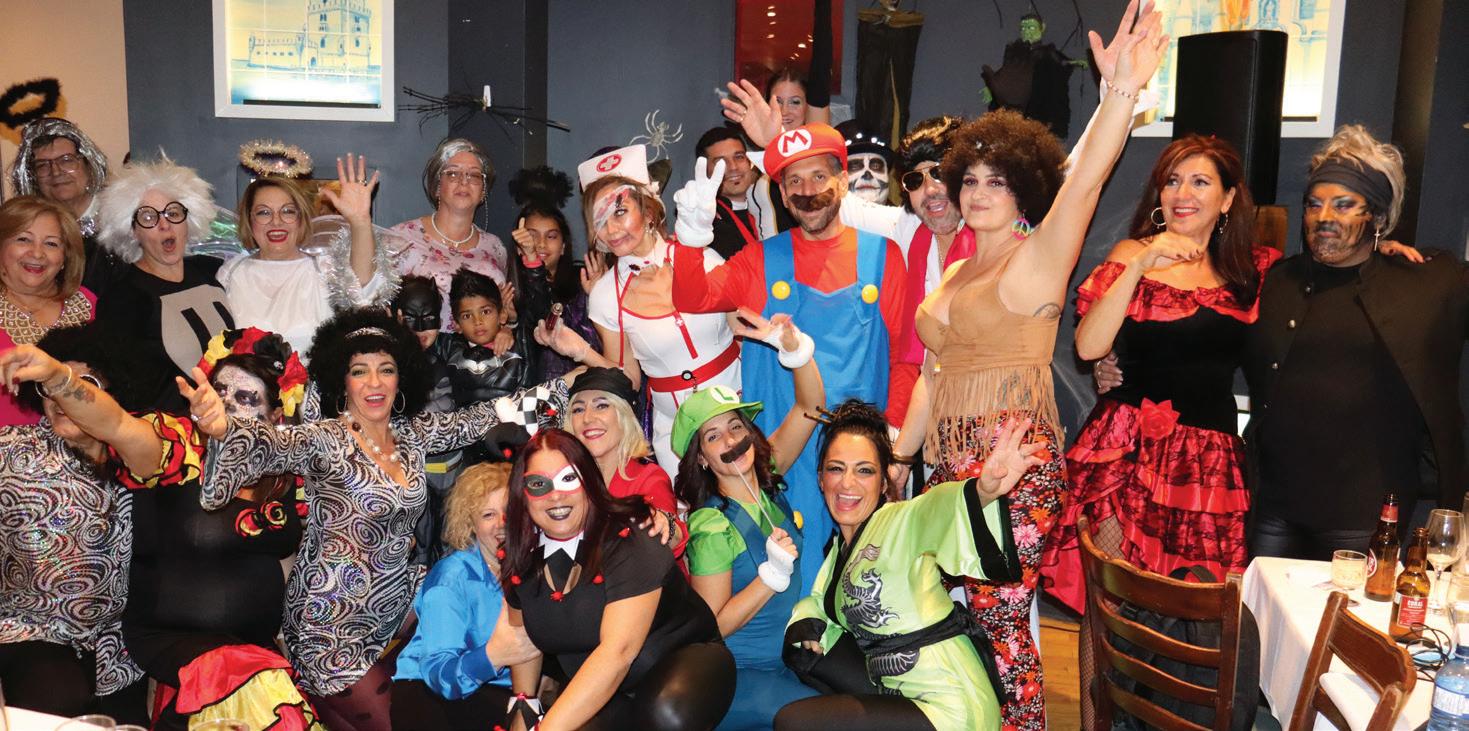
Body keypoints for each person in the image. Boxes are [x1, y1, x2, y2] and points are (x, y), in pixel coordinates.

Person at [886, 5, 1168, 726]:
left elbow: (1085, 179)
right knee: (967, 626)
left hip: (1014, 457)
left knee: (1003, 625)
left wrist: (1120, 93)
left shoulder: (1036, 258)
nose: (977, 193)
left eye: (996, 181)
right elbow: (935, 374)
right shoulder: (955, 271)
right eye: (969, 180)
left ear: (1022, 189)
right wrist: (899, 458)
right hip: (950, 464)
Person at [182, 309, 568, 730]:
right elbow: (272, 443)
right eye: (359, 371)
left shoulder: (411, 435)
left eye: (386, 369)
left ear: (401, 378)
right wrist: (221, 429)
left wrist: (574, 381)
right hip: (329, 627)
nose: (374, 383)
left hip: (395, 611)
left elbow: (480, 418)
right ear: (342, 381)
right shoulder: (326, 439)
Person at [1, 325, 319, 730]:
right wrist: (58, 378)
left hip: (211, 652)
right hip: (144, 639)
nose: (226, 405)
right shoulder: (178, 446)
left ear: (276, 415)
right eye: (219, 391)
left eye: (245, 398)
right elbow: (117, 425)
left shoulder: (288, 469)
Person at [1042, 136, 1277, 616]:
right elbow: (1089, 348)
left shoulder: (1252, 270)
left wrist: (1387, 250)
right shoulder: (1132, 253)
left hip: (1207, 464)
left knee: (1193, 606)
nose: (1182, 193)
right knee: (1109, 602)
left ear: (1228, 199)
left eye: (1200, 182)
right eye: (1172, 181)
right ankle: (1102, 673)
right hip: (1126, 452)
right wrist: (1141, 264)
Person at [670, 123, 909, 586]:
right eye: (793, 181)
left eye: (819, 177)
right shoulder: (759, 259)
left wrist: (895, 444)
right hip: (785, 452)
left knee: (865, 575)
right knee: (795, 576)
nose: (807, 191)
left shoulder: (884, 256)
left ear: (842, 181)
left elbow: (904, 358)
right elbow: (692, 296)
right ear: (780, 193)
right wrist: (691, 237)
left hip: (859, 453)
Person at [1243, 125, 1469, 557]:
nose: (1324, 217)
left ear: (1378, 218)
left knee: (1347, 607)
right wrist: (1116, 363)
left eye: (1344, 204)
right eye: (1314, 204)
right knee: (1260, 602)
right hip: (1275, 504)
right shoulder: (1277, 281)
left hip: (1363, 514)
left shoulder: (1423, 285)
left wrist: (1418, 267)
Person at [774, 401, 1043, 731]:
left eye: (864, 470)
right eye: (836, 469)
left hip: (951, 704)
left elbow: (938, 507)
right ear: (820, 479)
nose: (847, 484)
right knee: (809, 658)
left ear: (883, 481)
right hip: (899, 692)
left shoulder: (903, 520)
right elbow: (819, 601)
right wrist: (805, 623)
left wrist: (983, 491)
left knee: (793, 721)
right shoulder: (839, 552)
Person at [500, 430, 736, 730]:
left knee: (666, 716)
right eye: (538, 484)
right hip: (605, 686)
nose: (555, 495)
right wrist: (524, 702)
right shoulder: (521, 555)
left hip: (685, 664)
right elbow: (522, 637)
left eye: (568, 478)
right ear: (522, 493)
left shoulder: (630, 538)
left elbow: (618, 652)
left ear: (589, 482)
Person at [671, 313, 823, 731]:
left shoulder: (769, 482)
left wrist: (793, 348)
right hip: (741, 677)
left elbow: (811, 407)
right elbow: (712, 628)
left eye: (735, 426)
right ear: (702, 459)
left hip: (790, 664)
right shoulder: (711, 525)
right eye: (713, 436)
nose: (730, 440)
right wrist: (769, 577)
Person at [555, 144, 741, 475]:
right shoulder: (605, 296)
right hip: (676, 432)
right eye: (599, 220)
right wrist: (581, 350)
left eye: (619, 212)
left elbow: (744, 330)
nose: (611, 229)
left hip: (739, 408)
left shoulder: (700, 256)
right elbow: (628, 379)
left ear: (649, 210)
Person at [0, 324, 147, 723]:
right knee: (61, 699)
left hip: (120, 650)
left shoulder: (142, 457)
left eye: (84, 385)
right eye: (51, 386)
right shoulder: (11, 453)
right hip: (30, 633)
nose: (62, 399)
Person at [391, 463, 541, 730]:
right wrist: (494, 655)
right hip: (431, 696)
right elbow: (439, 676)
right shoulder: (451, 578)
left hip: (500, 694)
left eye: (510, 511)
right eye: (488, 515)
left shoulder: (536, 568)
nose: (502, 524)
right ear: (470, 523)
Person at [94, 155, 236, 413]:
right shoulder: (123, 299)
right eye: (148, 217)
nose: (164, 224)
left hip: (233, 422)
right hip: (172, 429)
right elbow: (130, 391)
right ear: (132, 231)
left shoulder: (212, 272)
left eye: (173, 213)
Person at [219, 156, 398, 358]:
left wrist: (360, 221)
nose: (276, 221)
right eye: (263, 213)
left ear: (301, 219)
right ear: (249, 220)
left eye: (288, 211)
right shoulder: (230, 273)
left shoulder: (323, 269)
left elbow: (365, 292)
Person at [560, 366, 685, 560]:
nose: (587, 418)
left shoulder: (649, 478)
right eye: (578, 409)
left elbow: (670, 533)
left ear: (625, 416)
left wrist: (664, 525)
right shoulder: (563, 480)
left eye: (601, 406)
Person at [392, 138, 511, 328]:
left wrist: (508, 324)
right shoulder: (401, 238)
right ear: (437, 186)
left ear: (483, 191)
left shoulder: (495, 246)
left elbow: (503, 314)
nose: (464, 182)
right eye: (453, 174)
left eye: (474, 175)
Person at [0, 196, 95, 425]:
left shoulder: (90, 305)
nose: (37, 253)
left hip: (83, 442)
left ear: (65, 256)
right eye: (23, 239)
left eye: (51, 244)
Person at [505, 166, 605, 382]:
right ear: (518, 244)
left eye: (551, 236)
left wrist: (598, 296)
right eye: (532, 235)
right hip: (534, 390)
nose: (540, 244)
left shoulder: (584, 279)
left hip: (584, 383)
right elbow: (540, 321)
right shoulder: (511, 290)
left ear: (563, 246)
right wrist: (508, 323)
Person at [7, 117, 127, 298]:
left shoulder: (124, 219)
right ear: (33, 177)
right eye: (43, 165)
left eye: (66, 160)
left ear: (88, 164)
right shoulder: (24, 227)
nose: (55, 172)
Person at [692, 126, 763, 260]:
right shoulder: (708, 222)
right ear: (705, 171)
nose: (733, 167)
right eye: (721, 162)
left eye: (739, 157)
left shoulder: (777, 200)